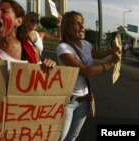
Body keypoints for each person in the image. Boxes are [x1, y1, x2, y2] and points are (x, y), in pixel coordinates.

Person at [57, 11, 120, 141]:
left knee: (73, 135)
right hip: (68, 101)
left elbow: (97, 54)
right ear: (67, 28)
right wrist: (110, 63)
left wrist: (111, 50)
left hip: (85, 100)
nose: (82, 27)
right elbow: (86, 71)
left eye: (82, 23)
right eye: (77, 23)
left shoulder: (86, 44)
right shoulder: (63, 48)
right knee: (61, 138)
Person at [0, 0, 56, 72]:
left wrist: (48, 67)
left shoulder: (32, 52)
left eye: (4, 11)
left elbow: (38, 81)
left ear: (19, 21)